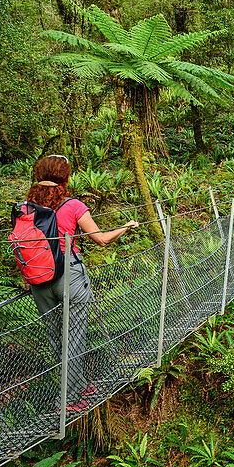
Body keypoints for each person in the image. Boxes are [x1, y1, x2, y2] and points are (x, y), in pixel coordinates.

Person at [25, 154, 139, 412]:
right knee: (74, 337)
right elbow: (101, 239)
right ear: (64, 178)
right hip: (69, 274)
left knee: (56, 338)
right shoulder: (73, 206)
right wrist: (126, 227)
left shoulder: (26, 208)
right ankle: (67, 400)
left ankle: (76, 384)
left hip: (38, 277)